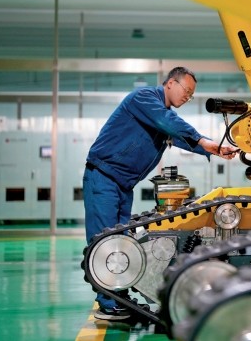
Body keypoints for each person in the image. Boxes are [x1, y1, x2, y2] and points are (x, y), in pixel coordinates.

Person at [82, 67, 237, 320]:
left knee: (121, 243)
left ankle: (118, 295)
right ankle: (107, 302)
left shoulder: (162, 117)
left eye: (191, 95)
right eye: (186, 90)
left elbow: (181, 136)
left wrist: (215, 148)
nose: (187, 97)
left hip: (123, 185)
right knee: (104, 242)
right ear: (170, 83)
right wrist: (203, 140)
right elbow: (168, 122)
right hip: (104, 178)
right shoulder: (144, 98)